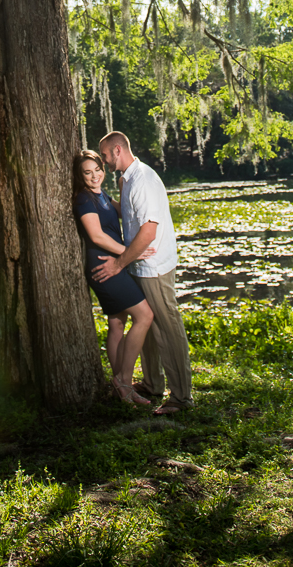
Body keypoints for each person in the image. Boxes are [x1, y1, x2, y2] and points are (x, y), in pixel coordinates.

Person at [93, 131, 193, 415]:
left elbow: (148, 231)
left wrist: (119, 262)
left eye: (104, 155)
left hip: (154, 267)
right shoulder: (127, 180)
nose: (103, 161)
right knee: (147, 326)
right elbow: (128, 214)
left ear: (117, 151)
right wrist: (98, 197)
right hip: (140, 264)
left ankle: (182, 398)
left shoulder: (144, 181)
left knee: (167, 327)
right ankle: (151, 384)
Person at [72, 150, 155, 406]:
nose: (95, 175)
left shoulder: (102, 195)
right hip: (104, 266)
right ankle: (124, 381)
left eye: (98, 169)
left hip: (112, 263)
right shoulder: (84, 200)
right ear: (80, 175)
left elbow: (124, 211)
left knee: (117, 322)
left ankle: (120, 384)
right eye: (88, 172)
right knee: (145, 316)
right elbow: (97, 237)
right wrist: (132, 253)